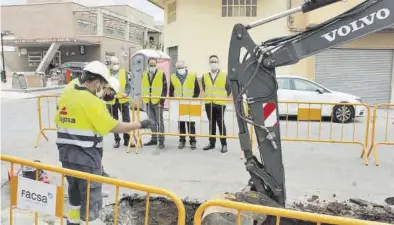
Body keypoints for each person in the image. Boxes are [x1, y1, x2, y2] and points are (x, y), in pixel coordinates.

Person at [55, 61, 152, 225]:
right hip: (86, 157)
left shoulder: (68, 90)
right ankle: (91, 222)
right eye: (103, 85)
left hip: (65, 155)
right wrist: (139, 124)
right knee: (91, 198)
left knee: (74, 190)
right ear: (97, 82)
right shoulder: (93, 102)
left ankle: (72, 221)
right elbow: (114, 126)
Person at [201, 55, 231, 153]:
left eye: (215, 61)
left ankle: (224, 144)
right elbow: (205, 87)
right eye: (212, 61)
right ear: (209, 63)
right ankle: (212, 143)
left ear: (218, 63)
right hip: (209, 103)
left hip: (220, 103)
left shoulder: (224, 75)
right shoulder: (205, 75)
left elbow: (228, 89)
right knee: (211, 124)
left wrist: (222, 97)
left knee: (220, 123)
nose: (214, 63)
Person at [169, 60, 200, 150]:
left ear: (185, 67)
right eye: (178, 68)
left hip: (190, 103)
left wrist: (192, 99)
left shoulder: (192, 75)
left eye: (182, 67)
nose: (180, 69)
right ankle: (182, 140)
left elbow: (197, 90)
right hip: (178, 103)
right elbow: (171, 91)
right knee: (181, 123)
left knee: (191, 123)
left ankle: (193, 141)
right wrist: (173, 102)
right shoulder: (173, 77)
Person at [105, 56, 132, 148]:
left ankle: (127, 140)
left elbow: (128, 85)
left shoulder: (123, 72)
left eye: (117, 63)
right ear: (110, 64)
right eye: (114, 64)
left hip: (123, 99)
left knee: (126, 120)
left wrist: (126, 93)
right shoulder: (106, 74)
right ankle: (117, 140)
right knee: (114, 121)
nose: (116, 65)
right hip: (111, 100)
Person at [141, 57, 168, 149]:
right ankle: (153, 139)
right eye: (150, 65)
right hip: (148, 101)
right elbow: (143, 86)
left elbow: (165, 88)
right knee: (152, 122)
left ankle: (161, 141)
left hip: (158, 102)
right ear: (148, 65)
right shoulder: (144, 74)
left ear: (156, 65)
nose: (152, 66)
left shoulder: (161, 74)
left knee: (160, 122)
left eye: (154, 65)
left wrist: (161, 101)